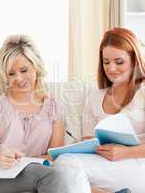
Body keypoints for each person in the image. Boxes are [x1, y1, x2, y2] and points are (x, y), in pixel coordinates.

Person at [53, 27, 145, 193]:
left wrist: (125, 152)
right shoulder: (95, 97)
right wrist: (83, 145)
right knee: (60, 166)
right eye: (106, 62)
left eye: (119, 62)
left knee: (67, 167)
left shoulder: (143, 92)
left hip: (138, 163)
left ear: (134, 60)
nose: (111, 68)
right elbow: (89, 139)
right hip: (107, 164)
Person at [0, 34, 66, 193]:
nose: (19, 78)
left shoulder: (54, 107)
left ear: (36, 67)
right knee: (55, 178)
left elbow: (54, 155)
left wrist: (26, 162)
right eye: (11, 73)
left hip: (35, 171)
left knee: (59, 175)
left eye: (24, 70)